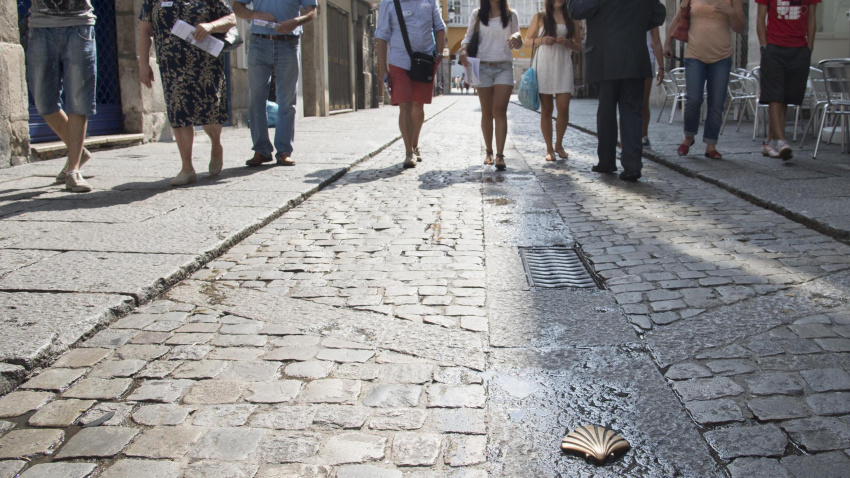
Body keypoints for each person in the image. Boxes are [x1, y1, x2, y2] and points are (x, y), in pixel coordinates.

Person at [139, 0, 236, 186]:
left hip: (205, 60)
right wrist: (143, 64)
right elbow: (145, 30)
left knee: (210, 112)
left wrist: (212, 25)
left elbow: (231, 18)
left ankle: (216, 144)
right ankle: (187, 168)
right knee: (179, 112)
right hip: (172, 63)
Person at [568, 0, 665, 182]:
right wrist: (634, 25)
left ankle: (606, 160)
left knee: (606, 112)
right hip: (634, 57)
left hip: (604, 59)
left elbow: (575, 10)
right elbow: (659, 13)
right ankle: (633, 164)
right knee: (632, 112)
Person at [233, 0, 317, 167]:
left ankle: (284, 151)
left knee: (286, 101)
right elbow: (236, 6)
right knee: (256, 99)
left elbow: (312, 12)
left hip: (289, 44)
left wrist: (296, 21)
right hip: (259, 43)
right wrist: (253, 14)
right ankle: (261, 150)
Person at [26, 0, 97, 192]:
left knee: (78, 100)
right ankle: (78, 151)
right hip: (41, 28)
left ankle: (73, 171)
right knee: (43, 102)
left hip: (79, 26)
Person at [664, 0, 744, 160]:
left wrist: (730, 12)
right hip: (694, 55)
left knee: (716, 102)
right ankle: (689, 137)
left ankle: (711, 144)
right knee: (693, 99)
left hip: (721, 57)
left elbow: (740, 28)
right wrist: (667, 43)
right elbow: (678, 18)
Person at [375, 0, 446, 168]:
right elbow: (381, 35)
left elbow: (439, 27)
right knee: (405, 104)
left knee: (418, 105)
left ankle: (414, 144)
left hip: (425, 60)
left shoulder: (429, 1)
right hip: (399, 62)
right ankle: (409, 152)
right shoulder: (389, 3)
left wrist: (439, 55)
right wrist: (381, 67)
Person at [458, 0, 523, 170]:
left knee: (500, 110)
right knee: (486, 111)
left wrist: (517, 37)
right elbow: (467, 37)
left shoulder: (511, 15)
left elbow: (519, 41)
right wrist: (463, 49)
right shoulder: (477, 14)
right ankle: (489, 152)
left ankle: (500, 155)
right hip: (483, 67)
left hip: (504, 66)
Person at [756, 0, 819, 160]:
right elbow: (760, 17)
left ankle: (769, 142)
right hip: (774, 47)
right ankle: (782, 141)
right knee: (774, 96)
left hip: (799, 48)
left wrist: (809, 47)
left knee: (785, 98)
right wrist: (764, 46)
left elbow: (812, 17)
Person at [524, 0, 582, 162]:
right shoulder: (540, 17)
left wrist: (569, 43)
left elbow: (579, 46)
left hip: (563, 64)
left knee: (564, 108)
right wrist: (542, 40)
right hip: (543, 65)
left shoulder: (572, 18)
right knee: (547, 110)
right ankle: (549, 148)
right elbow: (527, 41)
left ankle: (559, 144)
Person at [642, 28, 664, 148]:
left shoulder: (649, 10)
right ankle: (627, 140)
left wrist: (661, 66)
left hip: (646, 59)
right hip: (627, 59)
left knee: (643, 102)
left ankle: (644, 135)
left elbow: (656, 41)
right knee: (628, 104)